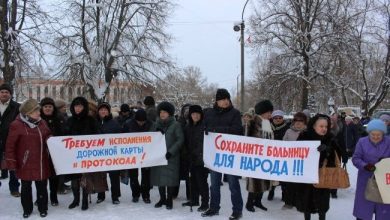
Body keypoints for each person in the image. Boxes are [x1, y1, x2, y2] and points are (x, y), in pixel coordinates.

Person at [201, 88, 244, 220]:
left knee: (233, 183)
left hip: (230, 155)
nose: (225, 101)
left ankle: (237, 210)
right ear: (217, 101)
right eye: (222, 99)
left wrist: (216, 130)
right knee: (214, 183)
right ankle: (214, 208)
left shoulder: (235, 113)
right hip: (215, 155)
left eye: (227, 99)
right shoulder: (209, 113)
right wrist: (206, 129)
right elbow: (204, 127)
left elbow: (237, 130)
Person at [5, 99, 52, 218]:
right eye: (36, 110)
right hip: (25, 163)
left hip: (41, 161)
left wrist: (53, 141)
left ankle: (43, 208)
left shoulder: (42, 123)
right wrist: (11, 163)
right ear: (28, 113)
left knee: (42, 187)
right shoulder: (16, 125)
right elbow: (10, 145)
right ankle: (27, 209)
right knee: (26, 188)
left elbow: (48, 136)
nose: (39, 112)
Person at [295, 114, 343, 220]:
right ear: (314, 126)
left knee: (322, 203)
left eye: (326, 126)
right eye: (321, 126)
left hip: (323, 175)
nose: (324, 129)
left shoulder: (330, 138)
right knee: (306, 201)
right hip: (307, 177)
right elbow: (296, 154)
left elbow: (337, 157)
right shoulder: (304, 136)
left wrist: (327, 150)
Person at [66, 97, 100, 210]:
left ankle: (85, 200)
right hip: (72, 155)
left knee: (85, 178)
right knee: (74, 179)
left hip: (87, 155)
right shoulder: (69, 121)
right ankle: (76, 199)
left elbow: (98, 137)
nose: (78, 108)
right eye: (76, 106)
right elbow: (64, 137)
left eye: (80, 106)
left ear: (84, 107)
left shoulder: (91, 121)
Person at [352, 119, 390, 220]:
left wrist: (386, 162)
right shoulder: (362, 142)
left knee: (383, 212)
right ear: (369, 132)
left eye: (379, 134)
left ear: (383, 133)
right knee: (364, 212)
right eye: (373, 134)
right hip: (365, 180)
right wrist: (365, 166)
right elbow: (356, 158)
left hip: (384, 182)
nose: (376, 137)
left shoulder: (389, 142)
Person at [151, 101, 184, 210]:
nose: (162, 114)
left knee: (169, 179)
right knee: (160, 178)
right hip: (159, 157)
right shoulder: (155, 125)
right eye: (161, 112)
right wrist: (156, 132)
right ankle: (162, 199)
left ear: (169, 113)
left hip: (171, 157)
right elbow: (149, 138)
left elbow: (180, 140)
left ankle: (169, 199)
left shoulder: (176, 125)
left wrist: (171, 152)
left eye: (164, 112)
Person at [245, 100, 274, 212]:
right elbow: (246, 138)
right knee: (254, 181)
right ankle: (249, 203)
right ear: (262, 112)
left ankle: (258, 201)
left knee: (263, 180)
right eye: (268, 112)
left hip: (266, 156)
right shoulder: (253, 122)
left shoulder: (267, 123)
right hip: (255, 157)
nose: (270, 114)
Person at [182, 105, 209, 212]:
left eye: (198, 114)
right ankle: (194, 199)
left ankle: (205, 202)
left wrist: (198, 154)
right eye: (193, 114)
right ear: (190, 115)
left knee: (202, 182)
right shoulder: (188, 127)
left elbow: (204, 143)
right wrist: (187, 154)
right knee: (192, 181)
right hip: (191, 158)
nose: (195, 116)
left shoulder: (204, 126)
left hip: (201, 159)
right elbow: (186, 142)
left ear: (201, 115)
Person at [124, 109, 154, 204]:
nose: (141, 123)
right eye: (139, 121)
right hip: (132, 153)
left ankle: (146, 195)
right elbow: (122, 137)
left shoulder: (151, 124)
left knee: (146, 176)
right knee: (133, 175)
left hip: (147, 153)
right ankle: (135, 194)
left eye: (143, 121)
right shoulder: (128, 124)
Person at [40, 97, 65, 206]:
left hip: (55, 153)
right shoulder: (38, 119)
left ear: (53, 108)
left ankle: (53, 197)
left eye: (50, 106)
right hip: (41, 152)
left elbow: (64, 133)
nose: (48, 108)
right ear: (42, 108)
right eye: (45, 107)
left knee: (54, 177)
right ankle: (41, 197)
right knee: (41, 177)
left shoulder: (59, 118)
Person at [96, 102, 122, 204]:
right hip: (98, 154)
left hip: (112, 154)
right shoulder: (95, 123)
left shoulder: (114, 123)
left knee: (114, 176)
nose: (103, 111)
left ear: (108, 111)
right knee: (100, 175)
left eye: (105, 110)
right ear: (98, 111)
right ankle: (101, 195)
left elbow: (121, 137)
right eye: (101, 110)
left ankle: (115, 196)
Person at [282, 112, 307, 209]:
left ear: (304, 122)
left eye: (301, 121)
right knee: (290, 184)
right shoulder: (288, 131)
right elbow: (283, 144)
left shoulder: (308, 132)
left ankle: (299, 202)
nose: (298, 123)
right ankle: (288, 202)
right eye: (296, 120)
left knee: (301, 184)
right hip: (290, 162)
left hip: (303, 163)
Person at [0, 84, 21, 197]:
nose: (4, 94)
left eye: (6, 92)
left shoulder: (16, 107)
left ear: (10, 94)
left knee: (12, 166)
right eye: (2, 92)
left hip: (11, 141)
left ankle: (14, 188)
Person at [269, 109, 290, 200]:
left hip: (283, 156)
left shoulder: (287, 128)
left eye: (280, 117)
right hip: (271, 155)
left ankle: (284, 194)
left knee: (283, 176)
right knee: (272, 175)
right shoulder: (268, 127)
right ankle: (271, 191)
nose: (278, 119)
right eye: (275, 118)